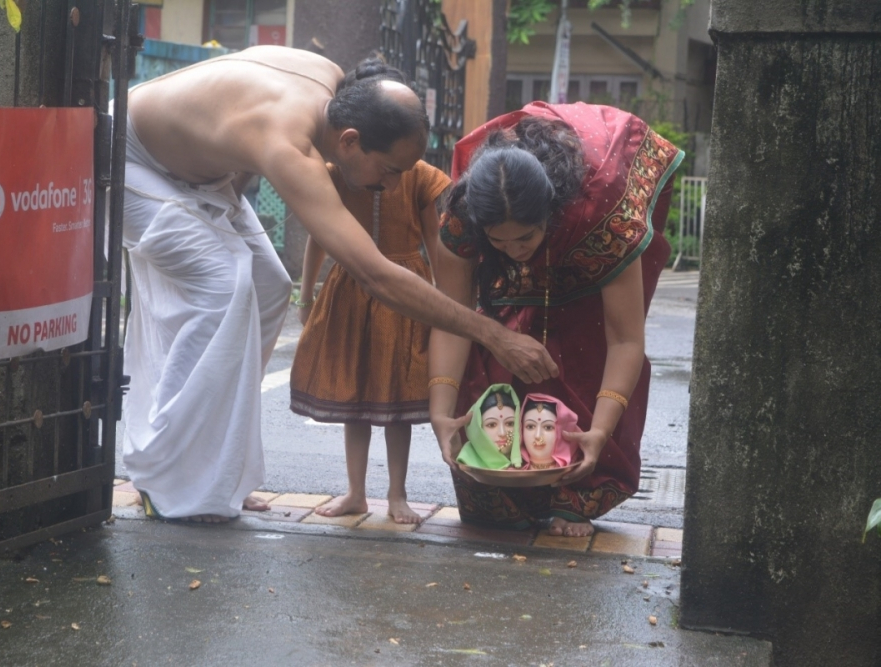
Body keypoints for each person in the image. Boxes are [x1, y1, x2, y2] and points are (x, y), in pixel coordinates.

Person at [119, 45, 555, 523]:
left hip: (200, 173)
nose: (392, 188)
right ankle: (165, 477)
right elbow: (375, 273)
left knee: (266, 286)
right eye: (389, 172)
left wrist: (224, 182)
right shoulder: (289, 145)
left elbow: (233, 132)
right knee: (222, 287)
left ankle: (219, 472)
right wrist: (494, 334)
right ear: (349, 141)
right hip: (134, 157)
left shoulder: (332, 80)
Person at [427, 102, 683, 536]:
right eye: (499, 241)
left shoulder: (602, 215)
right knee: (497, 339)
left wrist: (600, 432)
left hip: (600, 179)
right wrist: (441, 411)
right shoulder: (461, 218)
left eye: (526, 237)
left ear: (550, 213)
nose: (515, 251)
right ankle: (506, 486)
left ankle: (575, 493)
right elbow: (453, 320)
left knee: (583, 339)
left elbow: (625, 340)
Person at [290, 158, 449, 523]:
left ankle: (398, 494)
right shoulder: (340, 171)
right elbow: (320, 233)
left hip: (404, 288)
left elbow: (432, 237)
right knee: (353, 390)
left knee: (399, 391)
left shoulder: (420, 174)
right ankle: (356, 494)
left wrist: (446, 301)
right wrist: (305, 297)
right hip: (351, 284)